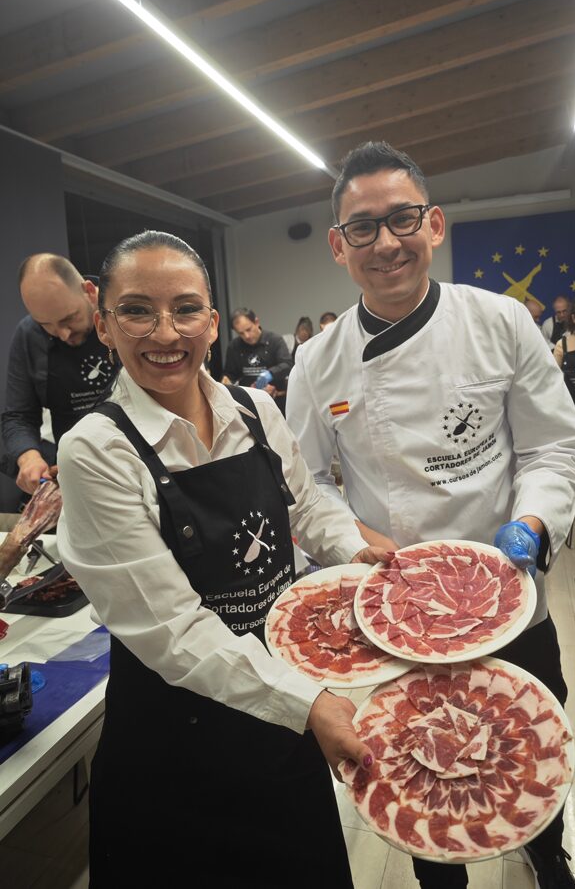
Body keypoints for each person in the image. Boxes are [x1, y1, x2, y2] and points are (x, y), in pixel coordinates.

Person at [286, 141, 575, 889]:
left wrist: (536, 526)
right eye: (363, 227)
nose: (385, 242)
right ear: (337, 245)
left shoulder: (501, 322)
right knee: (419, 762)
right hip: (400, 605)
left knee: (530, 740)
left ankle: (550, 859)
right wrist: (350, 539)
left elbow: (552, 450)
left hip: (510, 588)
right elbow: (305, 484)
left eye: (402, 220)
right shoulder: (316, 362)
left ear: (435, 225)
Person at [56, 230, 389, 888]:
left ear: (212, 321)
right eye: (136, 310)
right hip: (174, 740)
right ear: (103, 323)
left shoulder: (255, 408)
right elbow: (174, 632)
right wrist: (309, 703)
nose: (164, 332)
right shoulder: (96, 450)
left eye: (184, 309)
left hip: (278, 712)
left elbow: (304, 508)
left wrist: (359, 549)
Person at [1, 254, 117, 493]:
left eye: (69, 319)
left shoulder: (123, 314)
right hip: (76, 473)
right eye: (47, 325)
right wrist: (28, 457)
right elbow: (18, 416)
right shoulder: (28, 336)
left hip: (144, 464)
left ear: (89, 291)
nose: (62, 334)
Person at [222, 306, 292, 394]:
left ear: (256, 322)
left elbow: (287, 364)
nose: (246, 336)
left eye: (248, 329)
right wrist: (226, 381)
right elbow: (230, 374)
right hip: (247, 397)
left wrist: (270, 373)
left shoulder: (275, 340)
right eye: (241, 333)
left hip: (275, 397)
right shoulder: (234, 346)